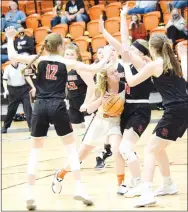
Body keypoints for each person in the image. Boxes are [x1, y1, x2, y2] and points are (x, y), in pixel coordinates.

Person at [5, 27, 112, 210]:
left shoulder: (38, 59)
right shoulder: (65, 62)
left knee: (35, 152)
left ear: (47, 46)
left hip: (39, 106)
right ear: (61, 46)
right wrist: (107, 55)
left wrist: (9, 37)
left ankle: (29, 193)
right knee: (71, 151)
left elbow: (12, 56)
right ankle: (79, 188)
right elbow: (95, 68)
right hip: (58, 106)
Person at [121, 33, 188, 207]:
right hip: (182, 109)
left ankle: (147, 192)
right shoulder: (173, 63)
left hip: (174, 111)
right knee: (159, 148)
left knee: (150, 150)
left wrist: (126, 64)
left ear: (152, 48)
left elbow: (132, 81)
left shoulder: (155, 64)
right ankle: (168, 184)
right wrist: (184, 56)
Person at [51, 62, 127, 196]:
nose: (116, 74)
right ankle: (60, 174)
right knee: (80, 156)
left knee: (118, 150)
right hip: (99, 122)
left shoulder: (124, 86)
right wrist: (101, 101)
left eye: (116, 71)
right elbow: (90, 109)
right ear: (106, 77)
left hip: (115, 123)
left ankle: (121, 184)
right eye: (112, 73)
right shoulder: (100, 90)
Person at [99, 8, 153, 196]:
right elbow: (122, 43)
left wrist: (118, 22)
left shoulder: (143, 65)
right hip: (126, 109)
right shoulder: (126, 64)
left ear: (142, 54)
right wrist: (106, 31)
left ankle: (140, 184)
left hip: (140, 109)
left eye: (133, 50)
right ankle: (137, 180)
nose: (128, 50)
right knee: (124, 149)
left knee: (126, 147)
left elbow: (123, 44)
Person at [64, 42, 95, 144]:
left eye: (72, 54)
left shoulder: (80, 68)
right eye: (67, 54)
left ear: (77, 56)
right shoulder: (65, 69)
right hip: (73, 103)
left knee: (92, 132)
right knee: (73, 131)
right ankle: (76, 153)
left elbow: (92, 86)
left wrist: (86, 103)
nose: (69, 57)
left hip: (85, 102)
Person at [1, 59, 34, 133]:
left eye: (16, 59)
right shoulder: (7, 68)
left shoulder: (23, 66)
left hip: (23, 89)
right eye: (13, 59)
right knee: (11, 110)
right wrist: (6, 89)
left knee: (28, 109)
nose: (15, 61)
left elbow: (27, 77)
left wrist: (33, 86)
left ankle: (31, 126)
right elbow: (4, 80)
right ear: (10, 60)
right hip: (13, 91)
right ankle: (5, 126)